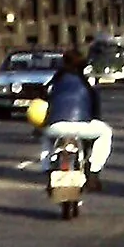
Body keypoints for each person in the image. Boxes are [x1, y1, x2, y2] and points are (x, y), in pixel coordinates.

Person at [39, 49, 112, 182]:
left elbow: (43, 100)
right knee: (106, 132)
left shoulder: (56, 79)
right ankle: (94, 170)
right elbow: (96, 106)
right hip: (82, 126)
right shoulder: (87, 81)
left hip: (56, 126)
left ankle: (47, 168)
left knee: (46, 137)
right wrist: (95, 118)